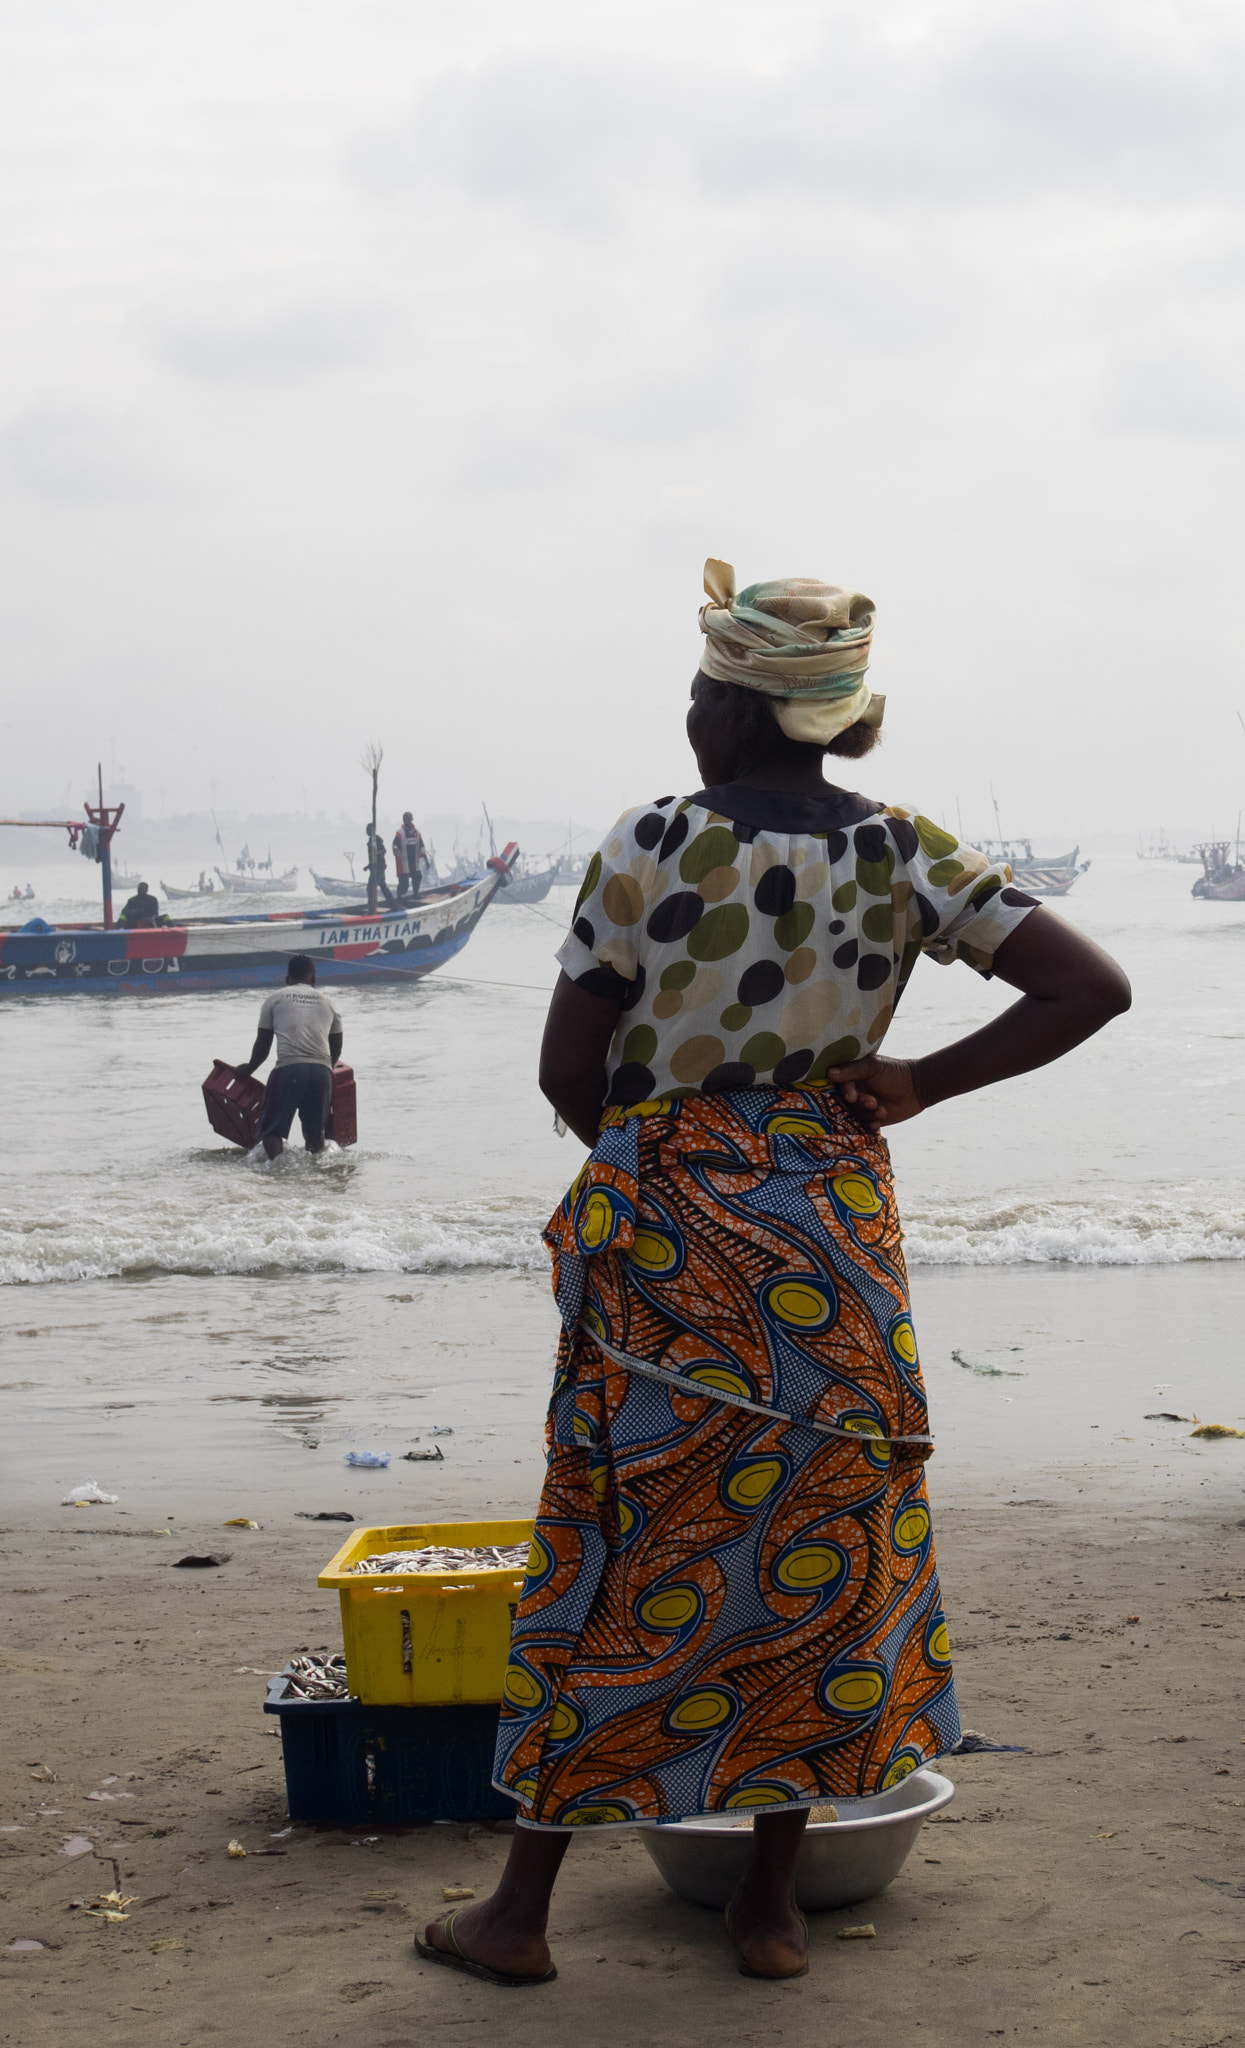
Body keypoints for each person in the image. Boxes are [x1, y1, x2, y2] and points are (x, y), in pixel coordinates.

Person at [416, 559, 1131, 1989]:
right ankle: (771, 1910)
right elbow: (1089, 989)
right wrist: (916, 1080)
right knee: (815, 1550)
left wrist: (670, 1172)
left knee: (614, 1542)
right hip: (836, 1246)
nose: (690, 717)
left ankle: (520, 1918)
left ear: (733, 714)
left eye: (700, 694)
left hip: (668, 1239)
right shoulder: (908, 850)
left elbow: (570, 1065)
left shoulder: (653, 842)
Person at [236, 955, 343, 1159]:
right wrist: (324, 1071)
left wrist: (249, 1068)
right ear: (313, 979)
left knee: (271, 1133)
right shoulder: (329, 1004)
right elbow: (336, 1048)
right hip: (322, 1072)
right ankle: (316, 1175)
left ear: (287, 979)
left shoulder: (275, 999)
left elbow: (263, 1045)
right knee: (315, 1135)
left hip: (289, 1069)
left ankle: (279, 1171)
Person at [393, 812, 429, 902]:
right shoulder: (400, 832)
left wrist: (426, 860)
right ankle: (399, 897)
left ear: (412, 819)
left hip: (414, 861)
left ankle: (415, 894)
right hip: (404, 861)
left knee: (417, 876)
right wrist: (396, 850)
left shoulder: (417, 832)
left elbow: (421, 846)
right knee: (404, 882)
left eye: (408, 819)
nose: (407, 821)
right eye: (405, 819)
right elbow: (395, 844)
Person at [365, 825, 397, 911]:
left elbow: (383, 850)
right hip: (375, 868)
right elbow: (371, 857)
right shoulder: (370, 841)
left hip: (379, 868)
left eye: (368, 829)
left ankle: (372, 908)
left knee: (371, 888)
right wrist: (368, 866)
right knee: (382, 887)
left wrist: (377, 854)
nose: (366, 831)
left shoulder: (377, 839)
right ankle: (393, 905)